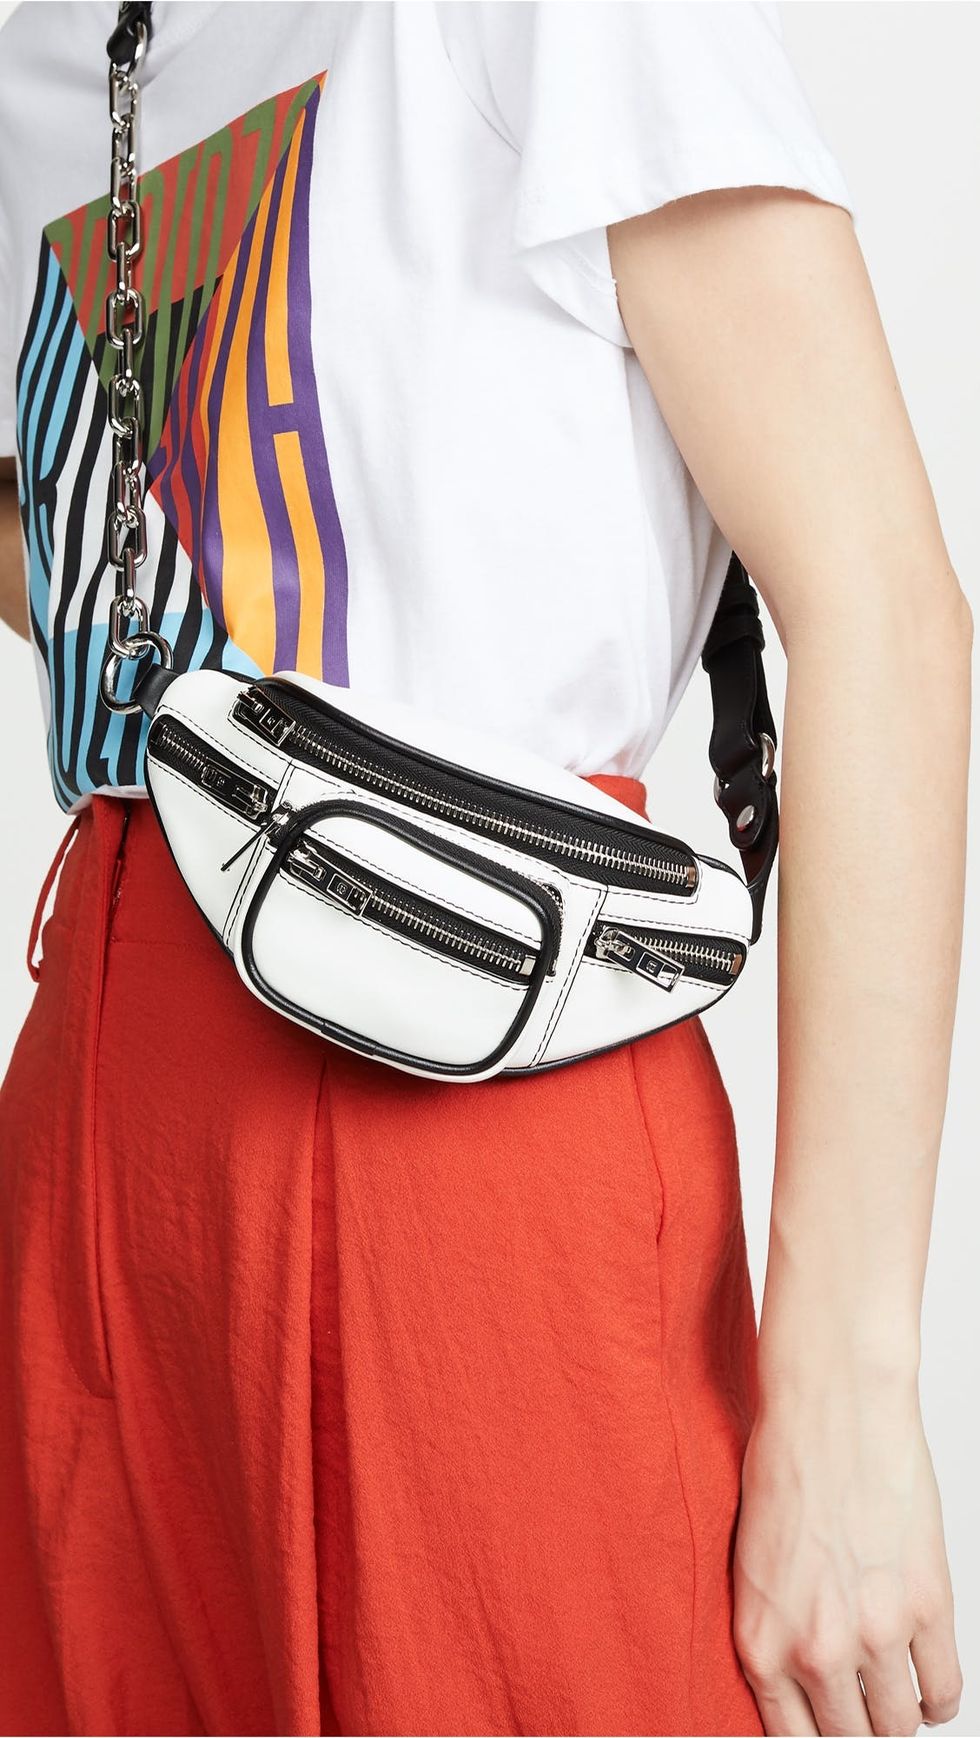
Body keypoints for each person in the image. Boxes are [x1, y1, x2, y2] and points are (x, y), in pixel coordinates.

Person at [0, 3, 969, 1735]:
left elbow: (879, 605)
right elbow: (114, 568)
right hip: (96, 1128)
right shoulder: (46, 52)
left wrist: (848, 1389)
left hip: (466, 1110)